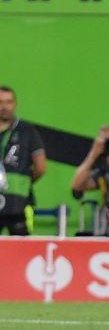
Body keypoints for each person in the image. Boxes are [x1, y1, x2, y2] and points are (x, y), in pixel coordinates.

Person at [0, 86, 47, 235]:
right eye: (0, 102)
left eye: (8, 102)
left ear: (15, 104)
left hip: (19, 203)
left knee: (22, 249)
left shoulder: (28, 131)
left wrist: (24, 181)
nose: (4, 106)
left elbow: (40, 167)